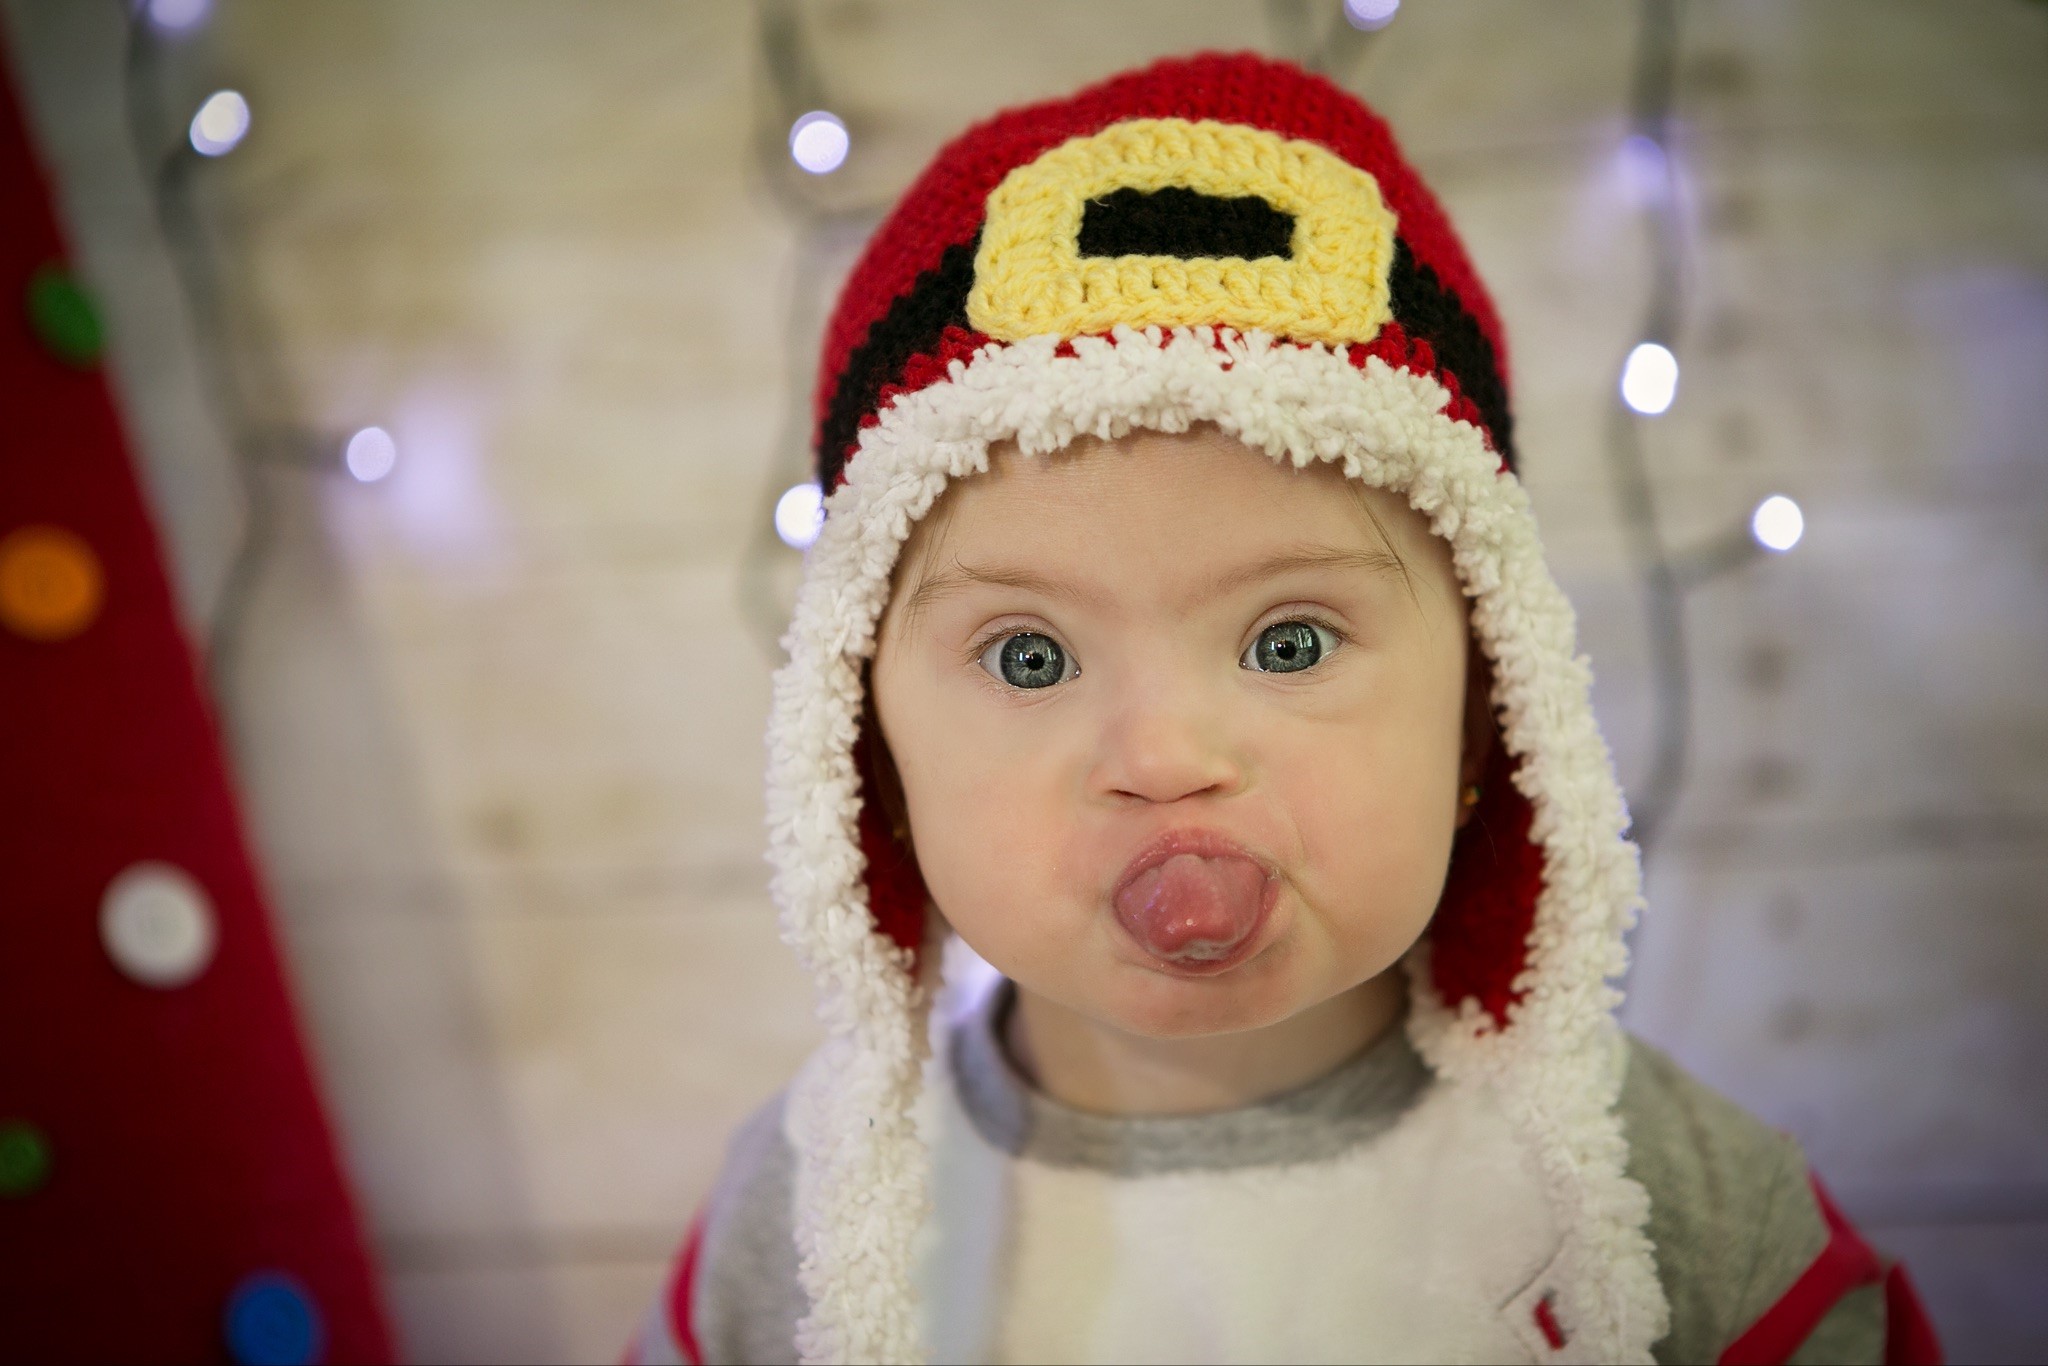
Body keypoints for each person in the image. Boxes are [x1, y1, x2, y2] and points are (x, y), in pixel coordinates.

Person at [628, 53, 1940, 1366]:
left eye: (1291, 638)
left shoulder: (1682, 1218)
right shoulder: (803, 1220)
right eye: (1029, 656)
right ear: (869, 753)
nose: (1163, 758)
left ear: (1489, 711)